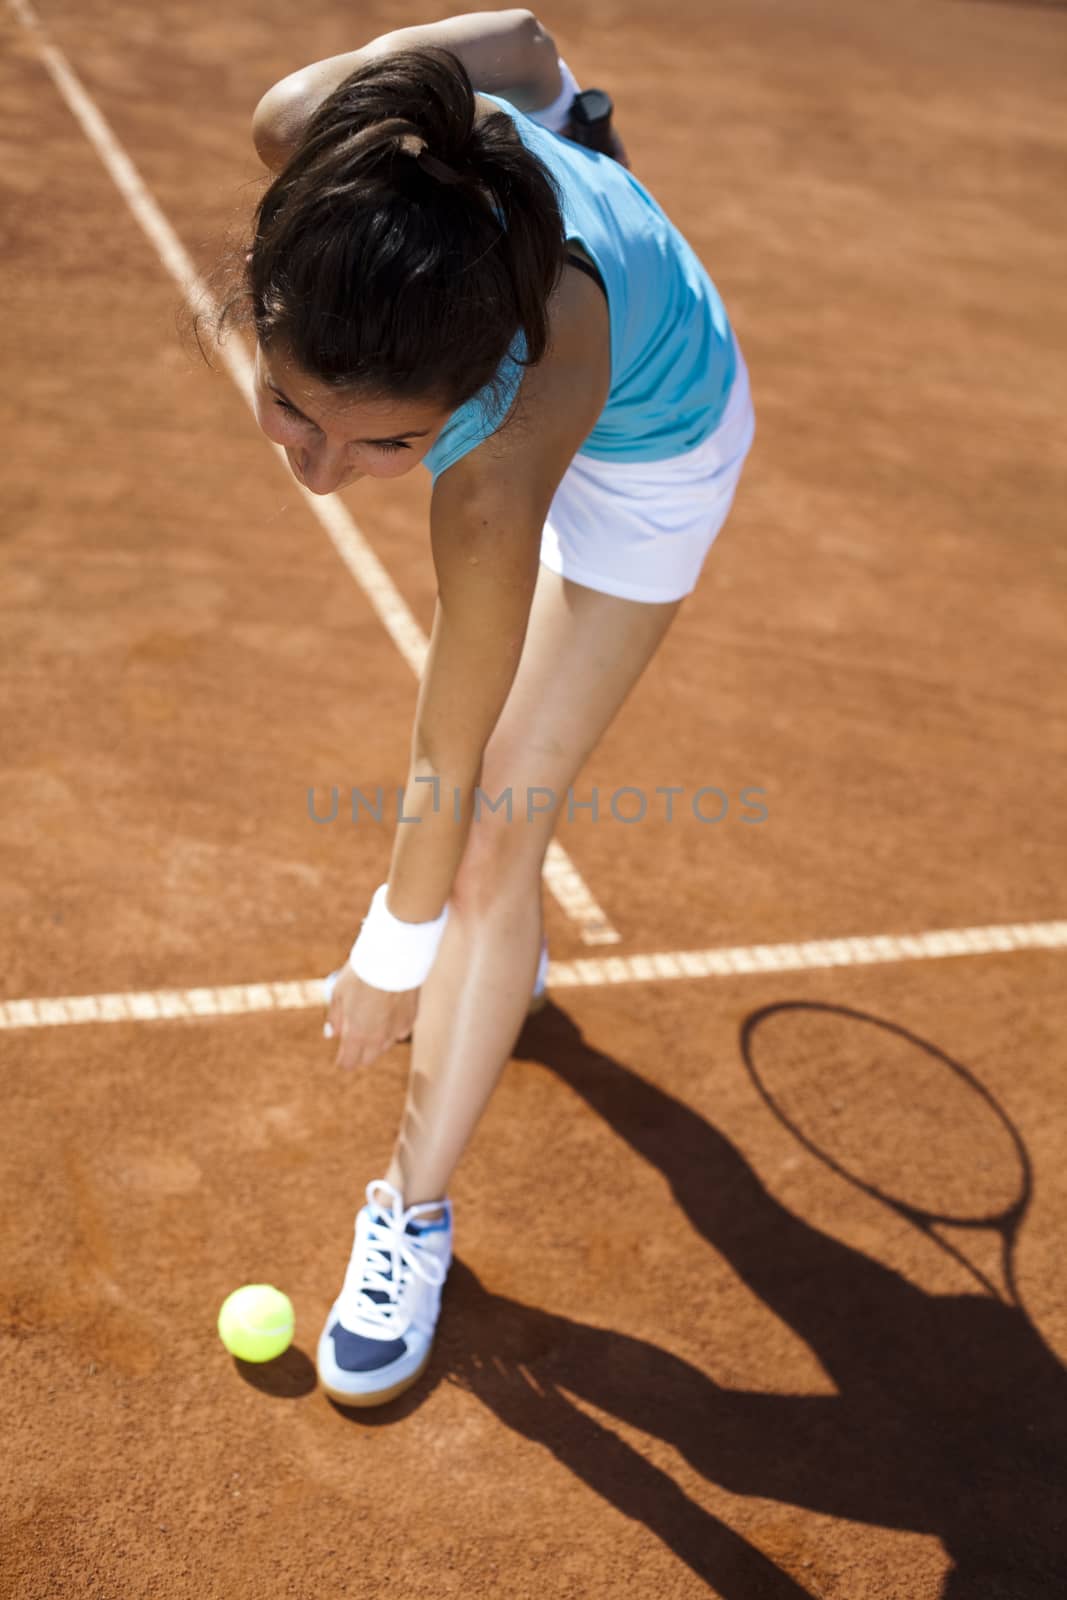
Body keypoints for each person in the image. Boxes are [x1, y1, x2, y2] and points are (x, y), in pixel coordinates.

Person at [224, 9, 755, 1406]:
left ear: (468, 401)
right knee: (476, 876)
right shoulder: (309, 132)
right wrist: (568, 105)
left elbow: (448, 750)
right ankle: (486, 980)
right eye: (291, 409)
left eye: (388, 439)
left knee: (494, 836)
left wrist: (396, 945)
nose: (325, 472)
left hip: (657, 444)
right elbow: (518, 33)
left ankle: (411, 1206)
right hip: (566, 306)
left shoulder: (505, 460)